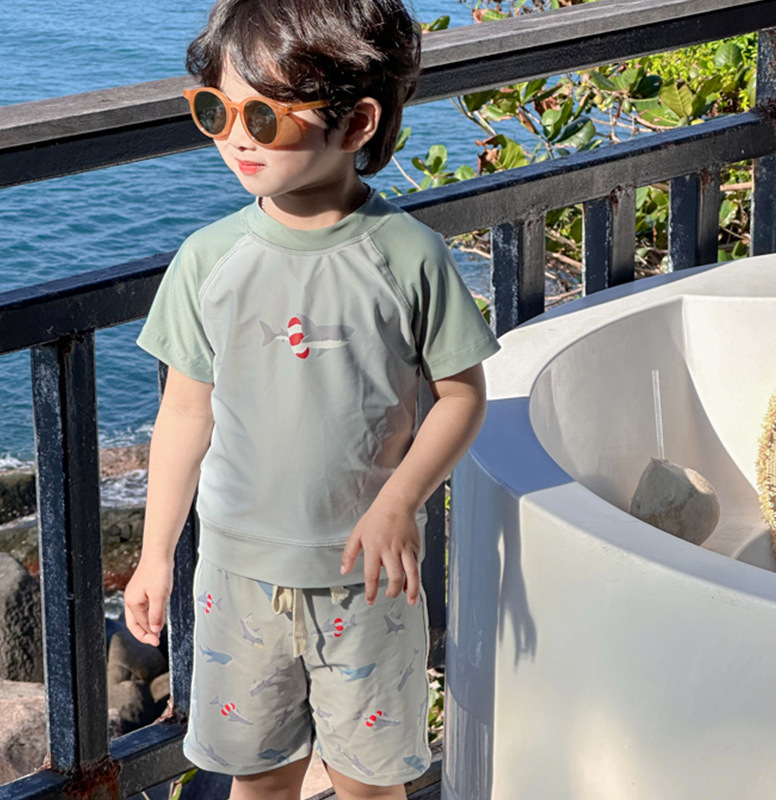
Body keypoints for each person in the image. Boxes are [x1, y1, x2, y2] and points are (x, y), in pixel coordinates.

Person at [123, 0, 500, 797]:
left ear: (356, 123)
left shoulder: (409, 257)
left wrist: (400, 500)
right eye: (215, 110)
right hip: (235, 575)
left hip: (368, 577)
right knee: (259, 780)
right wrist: (156, 555)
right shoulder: (207, 260)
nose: (235, 137)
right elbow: (185, 415)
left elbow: (462, 396)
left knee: (369, 783)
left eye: (264, 117)